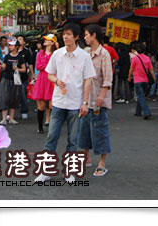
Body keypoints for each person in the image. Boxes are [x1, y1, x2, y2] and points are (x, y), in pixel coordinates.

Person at [34, 22, 96, 183]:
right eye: (64, 34)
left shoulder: (84, 57)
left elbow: (88, 81)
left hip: (76, 104)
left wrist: (85, 103)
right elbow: (49, 74)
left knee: (73, 140)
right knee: (51, 136)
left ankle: (69, 171)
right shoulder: (57, 54)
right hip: (58, 102)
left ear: (76, 37)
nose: (66, 37)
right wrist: (57, 81)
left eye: (69, 34)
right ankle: (46, 170)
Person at [79, 24, 112, 177]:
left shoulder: (104, 54)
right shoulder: (85, 53)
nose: (84, 38)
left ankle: (102, 163)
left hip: (98, 99)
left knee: (100, 130)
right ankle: (86, 158)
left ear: (93, 35)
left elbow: (107, 79)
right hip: (85, 99)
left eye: (86, 35)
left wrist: (101, 96)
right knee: (84, 130)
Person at [31, 34, 56, 133]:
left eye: (47, 40)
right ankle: (40, 127)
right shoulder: (40, 53)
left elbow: (55, 66)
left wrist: (45, 65)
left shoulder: (55, 53)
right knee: (41, 106)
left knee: (52, 106)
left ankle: (53, 127)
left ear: (52, 42)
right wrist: (47, 65)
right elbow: (38, 66)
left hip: (52, 79)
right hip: (42, 79)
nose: (45, 41)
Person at [0, 40, 26, 125]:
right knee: (4, 97)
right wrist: (1, 67)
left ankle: (12, 118)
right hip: (6, 78)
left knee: (14, 97)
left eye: (12, 45)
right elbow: (4, 67)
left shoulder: (20, 57)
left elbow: (24, 69)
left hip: (16, 79)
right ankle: (4, 118)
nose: (10, 47)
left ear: (16, 46)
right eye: (9, 45)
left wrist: (17, 69)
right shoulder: (6, 56)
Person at [128, 41, 154, 119]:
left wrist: (129, 77)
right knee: (141, 95)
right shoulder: (147, 58)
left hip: (137, 80)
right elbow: (151, 70)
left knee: (141, 96)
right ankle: (138, 111)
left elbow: (131, 69)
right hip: (145, 80)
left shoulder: (135, 58)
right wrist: (153, 78)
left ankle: (147, 112)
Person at [17, 34, 34, 120]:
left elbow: (30, 64)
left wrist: (32, 74)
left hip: (23, 76)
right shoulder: (12, 50)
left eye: (20, 39)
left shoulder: (26, 52)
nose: (18, 40)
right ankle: (9, 112)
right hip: (12, 77)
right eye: (17, 39)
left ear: (24, 42)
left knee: (23, 92)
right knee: (11, 94)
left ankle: (24, 110)